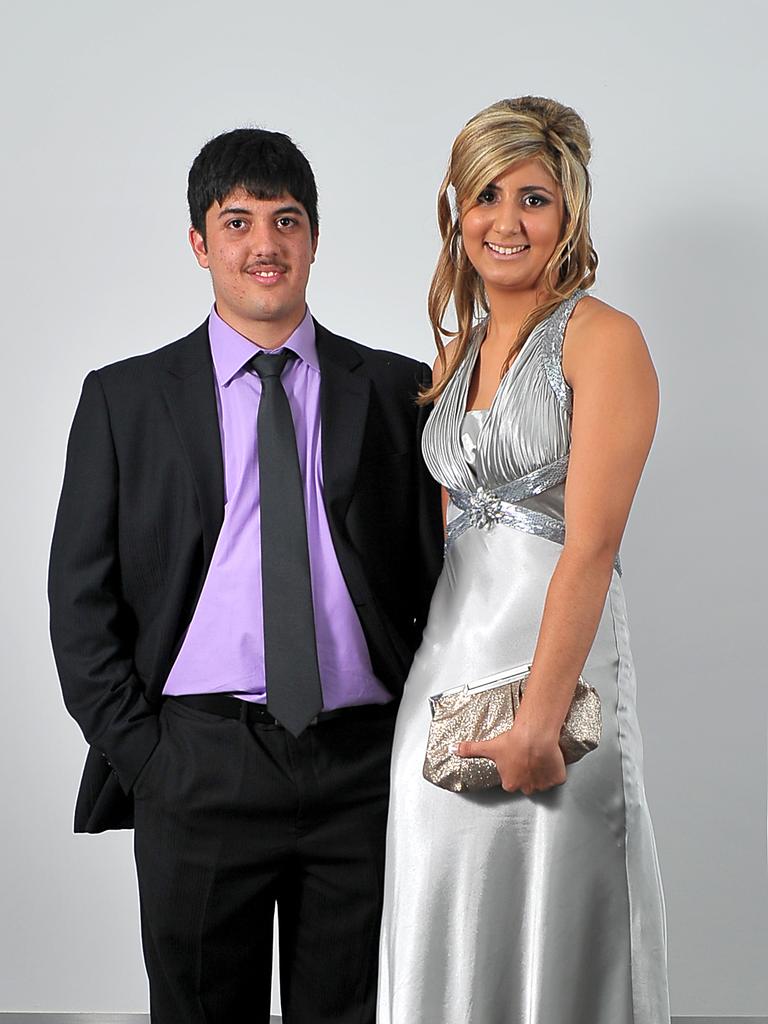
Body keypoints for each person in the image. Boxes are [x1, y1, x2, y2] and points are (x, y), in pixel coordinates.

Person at [48, 128, 443, 1024]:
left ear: (312, 237)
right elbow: (81, 602)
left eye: (285, 220)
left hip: (359, 764)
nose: (264, 244)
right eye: (238, 222)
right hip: (199, 762)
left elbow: (434, 576)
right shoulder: (123, 400)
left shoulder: (394, 389)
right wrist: (148, 759)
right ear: (201, 243)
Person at [377, 97, 670, 1023]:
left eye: (534, 198)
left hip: (559, 691)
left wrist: (541, 721)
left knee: (560, 923)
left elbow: (590, 547)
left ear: (569, 213)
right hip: (445, 686)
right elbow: (451, 547)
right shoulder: (456, 354)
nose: (507, 221)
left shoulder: (603, 339)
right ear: (456, 210)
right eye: (487, 195)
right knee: (441, 921)